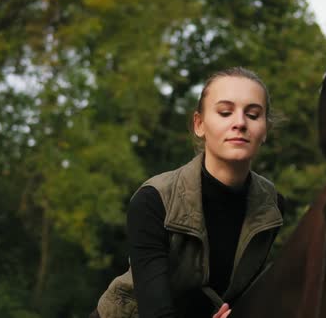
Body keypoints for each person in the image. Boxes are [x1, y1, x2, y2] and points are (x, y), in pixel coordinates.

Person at [91, 67, 285, 318]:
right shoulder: (153, 199)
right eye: (225, 112)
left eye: (253, 114)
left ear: (265, 130)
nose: (239, 123)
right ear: (199, 124)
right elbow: (156, 313)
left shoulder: (273, 205)